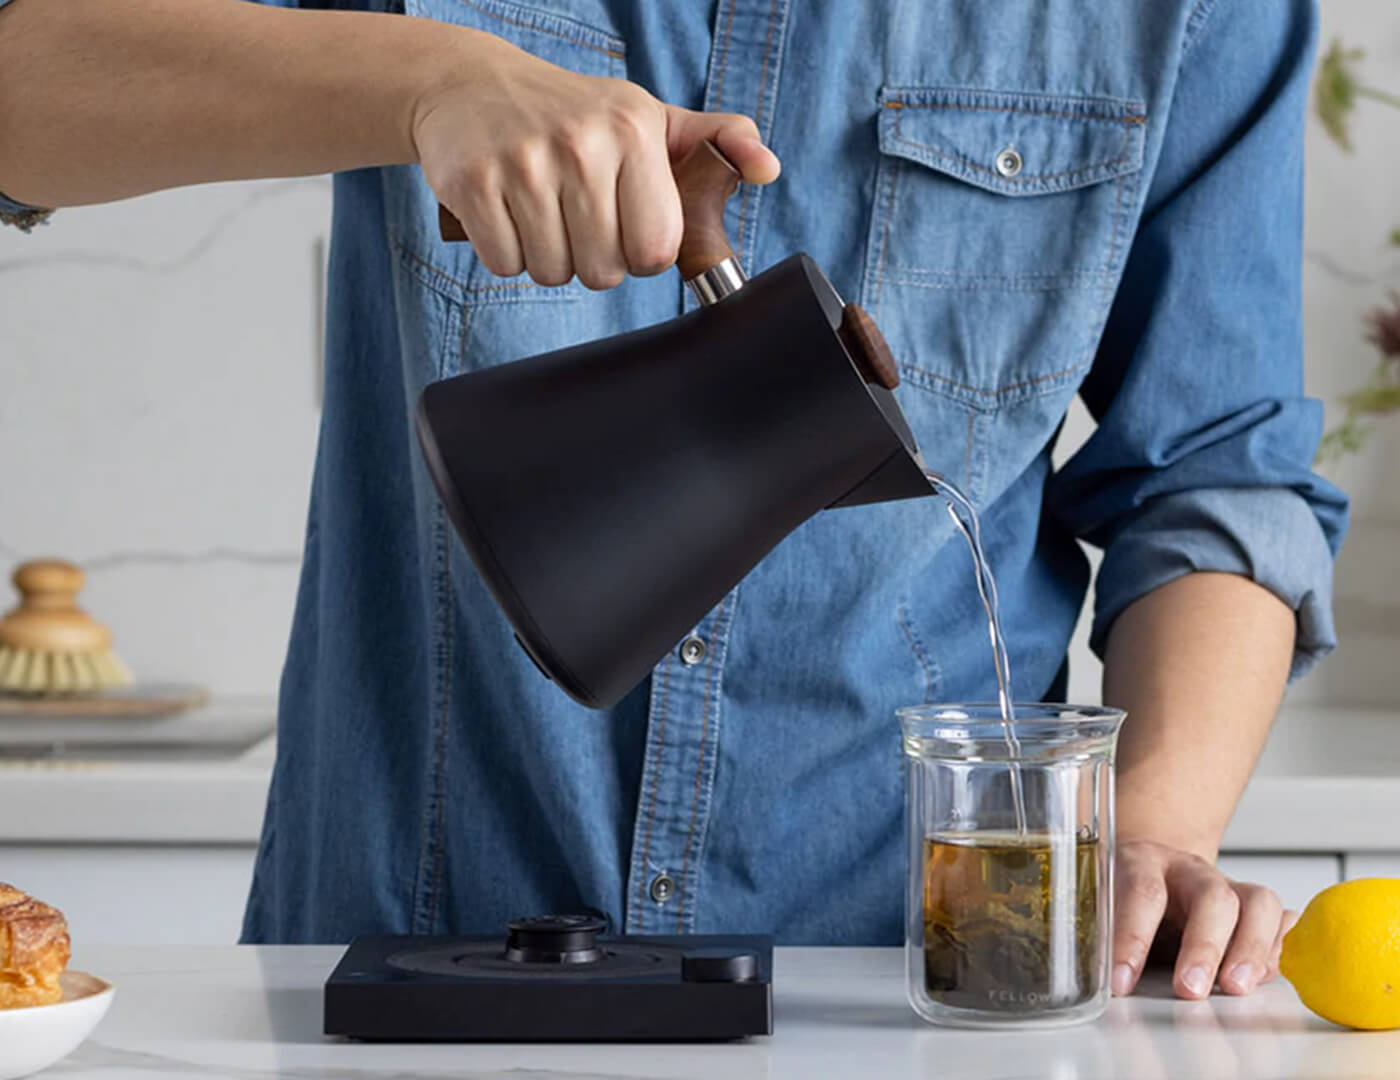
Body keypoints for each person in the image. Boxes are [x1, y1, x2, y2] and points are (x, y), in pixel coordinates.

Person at [0, 0, 1348, 1001]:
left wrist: (1154, 835)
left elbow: (1217, 474)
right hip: (410, 979)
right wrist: (433, 78)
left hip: (906, 995)